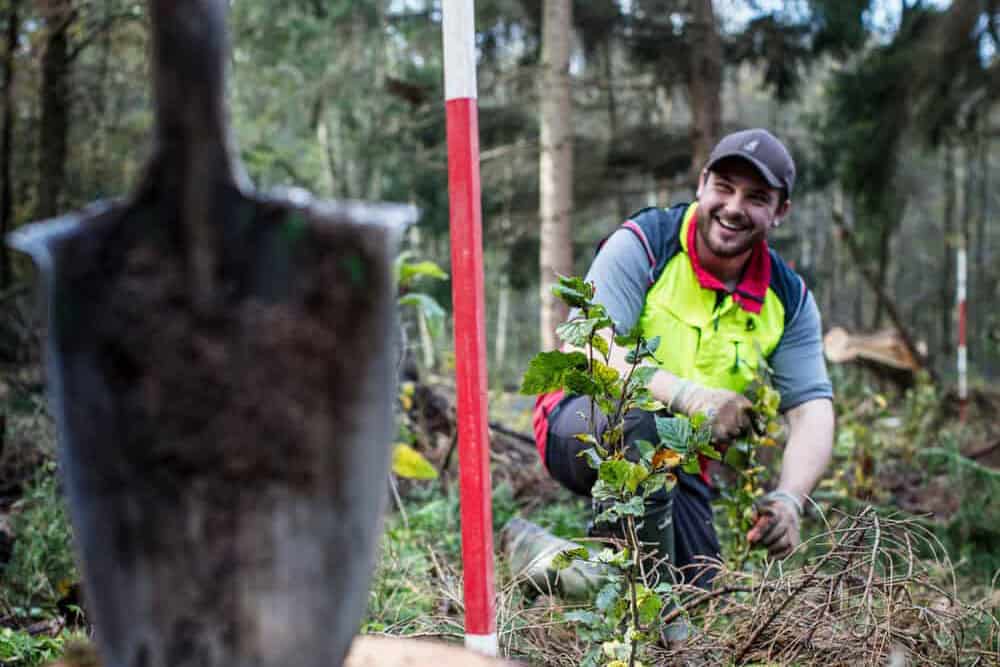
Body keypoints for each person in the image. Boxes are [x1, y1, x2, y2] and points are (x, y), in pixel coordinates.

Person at [532, 128, 835, 589]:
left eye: (756, 197)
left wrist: (790, 499)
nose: (733, 207)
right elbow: (584, 345)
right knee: (641, 428)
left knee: (699, 585)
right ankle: (652, 622)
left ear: (780, 212)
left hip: (679, 459)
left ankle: (552, 562)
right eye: (724, 188)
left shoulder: (788, 297)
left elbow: (813, 409)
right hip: (579, 422)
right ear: (702, 184)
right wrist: (689, 397)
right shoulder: (645, 242)